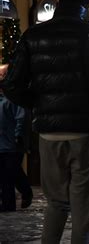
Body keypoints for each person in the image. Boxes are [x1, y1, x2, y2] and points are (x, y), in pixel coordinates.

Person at [1, 0, 89, 243]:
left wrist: (39, 105)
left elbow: (11, 84)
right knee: (83, 209)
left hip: (49, 136)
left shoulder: (33, 35)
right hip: (85, 133)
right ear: (85, 7)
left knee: (56, 204)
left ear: (59, 5)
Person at [0, 67, 25, 212]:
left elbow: (20, 119)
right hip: (4, 143)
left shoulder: (12, 98)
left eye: (3, 75)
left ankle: (9, 205)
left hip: (10, 143)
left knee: (9, 175)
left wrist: (17, 136)